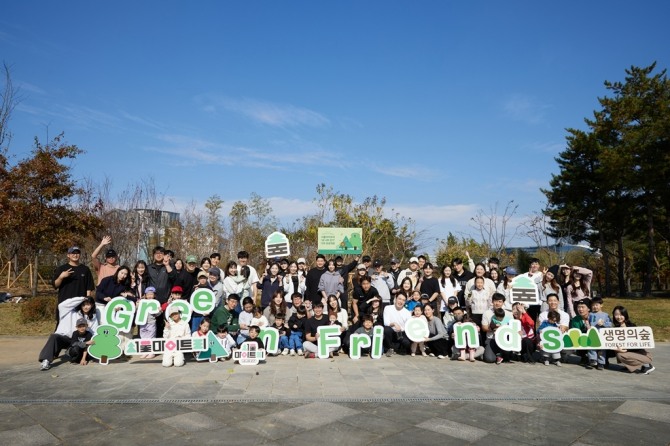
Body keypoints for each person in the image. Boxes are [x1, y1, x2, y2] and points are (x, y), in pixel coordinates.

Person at [39, 296, 98, 370]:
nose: (86, 307)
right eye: (83, 305)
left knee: (82, 349)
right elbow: (62, 305)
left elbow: (95, 331)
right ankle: (46, 360)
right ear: (80, 304)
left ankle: (77, 356)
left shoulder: (93, 317)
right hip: (66, 338)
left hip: (79, 340)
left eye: (88, 304)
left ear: (92, 305)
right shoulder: (69, 312)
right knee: (54, 337)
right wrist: (81, 299)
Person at [611, 305, 654, 374]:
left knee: (620, 354)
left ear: (625, 315)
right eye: (616, 315)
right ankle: (629, 366)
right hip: (634, 354)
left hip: (643, 355)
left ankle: (647, 365)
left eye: (621, 314)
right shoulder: (616, 328)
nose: (619, 317)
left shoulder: (631, 327)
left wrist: (625, 350)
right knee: (618, 351)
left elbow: (637, 345)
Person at [52, 246, 95, 311]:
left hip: (80, 303)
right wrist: (61, 277)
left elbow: (89, 288)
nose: (75, 255)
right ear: (68, 255)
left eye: (77, 253)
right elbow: (55, 285)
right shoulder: (61, 269)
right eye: (73, 253)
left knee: (81, 321)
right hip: (65, 303)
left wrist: (87, 302)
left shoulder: (85, 269)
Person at [481, 292, 512, 364]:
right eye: (495, 301)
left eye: (500, 301)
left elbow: (512, 327)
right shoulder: (487, 313)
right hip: (491, 338)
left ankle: (501, 354)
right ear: (492, 302)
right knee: (489, 359)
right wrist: (493, 328)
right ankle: (492, 354)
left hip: (505, 339)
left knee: (508, 355)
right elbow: (484, 328)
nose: (497, 303)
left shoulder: (509, 314)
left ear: (503, 303)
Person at [138, 287, 159, 359]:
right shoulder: (142, 302)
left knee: (151, 337)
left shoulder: (155, 303)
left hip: (151, 322)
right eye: (148, 294)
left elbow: (157, 314)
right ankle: (145, 351)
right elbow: (138, 311)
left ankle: (152, 352)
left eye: (151, 294)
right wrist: (137, 306)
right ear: (145, 295)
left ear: (154, 295)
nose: (150, 296)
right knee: (143, 337)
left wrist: (159, 311)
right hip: (142, 322)